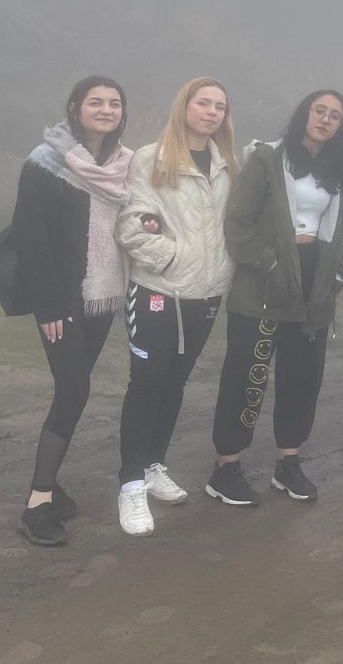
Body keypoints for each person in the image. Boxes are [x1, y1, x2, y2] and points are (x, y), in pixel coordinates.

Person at [209, 91, 343, 504]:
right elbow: (238, 222)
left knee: (302, 377)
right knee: (247, 375)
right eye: (319, 111)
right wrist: (271, 264)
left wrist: (339, 272)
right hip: (264, 281)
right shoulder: (267, 159)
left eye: (335, 116)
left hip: (315, 285)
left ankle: (288, 462)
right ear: (304, 114)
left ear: (341, 126)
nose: (325, 119)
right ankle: (226, 466)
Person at [8, 77, 133, 546]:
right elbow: (30, 237)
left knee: (72, 389)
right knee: (75, 389)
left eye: (114, 103)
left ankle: (49, 482)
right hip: (61, 300)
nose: (106, 109)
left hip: (104, 295)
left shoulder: (125, 166)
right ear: (76, 107)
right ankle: (37, 503)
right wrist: (49, 305)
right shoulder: (46, 162)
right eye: (95, 102)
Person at [113, 77, 238, 536]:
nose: (211, 112)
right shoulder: (152, 158)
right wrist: (173, 260)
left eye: (219, 106)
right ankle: (130, 484)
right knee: (147, 382)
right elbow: (133, 225)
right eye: (203, 103)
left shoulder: (228, 165)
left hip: (206, 294)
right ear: (184, 106)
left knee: (174, 381)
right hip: (157, 292)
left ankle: (153, 465)